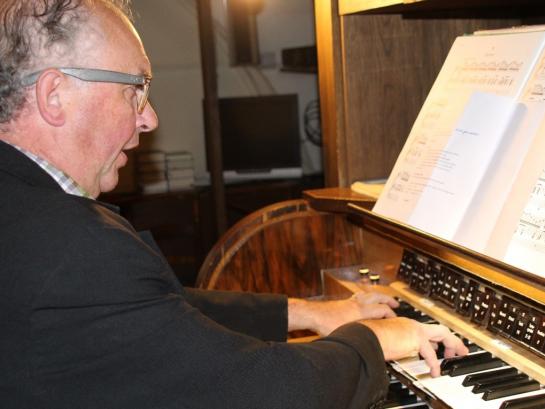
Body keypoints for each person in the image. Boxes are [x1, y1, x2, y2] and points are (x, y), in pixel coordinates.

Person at [0, 1, 468, 408]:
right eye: (135, 88)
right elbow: (264, 394)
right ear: (54, 95)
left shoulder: (27, 211)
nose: (150, 118)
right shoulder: (72, 246)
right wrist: (371, 341)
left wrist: (309, 312)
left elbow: (154, 312)